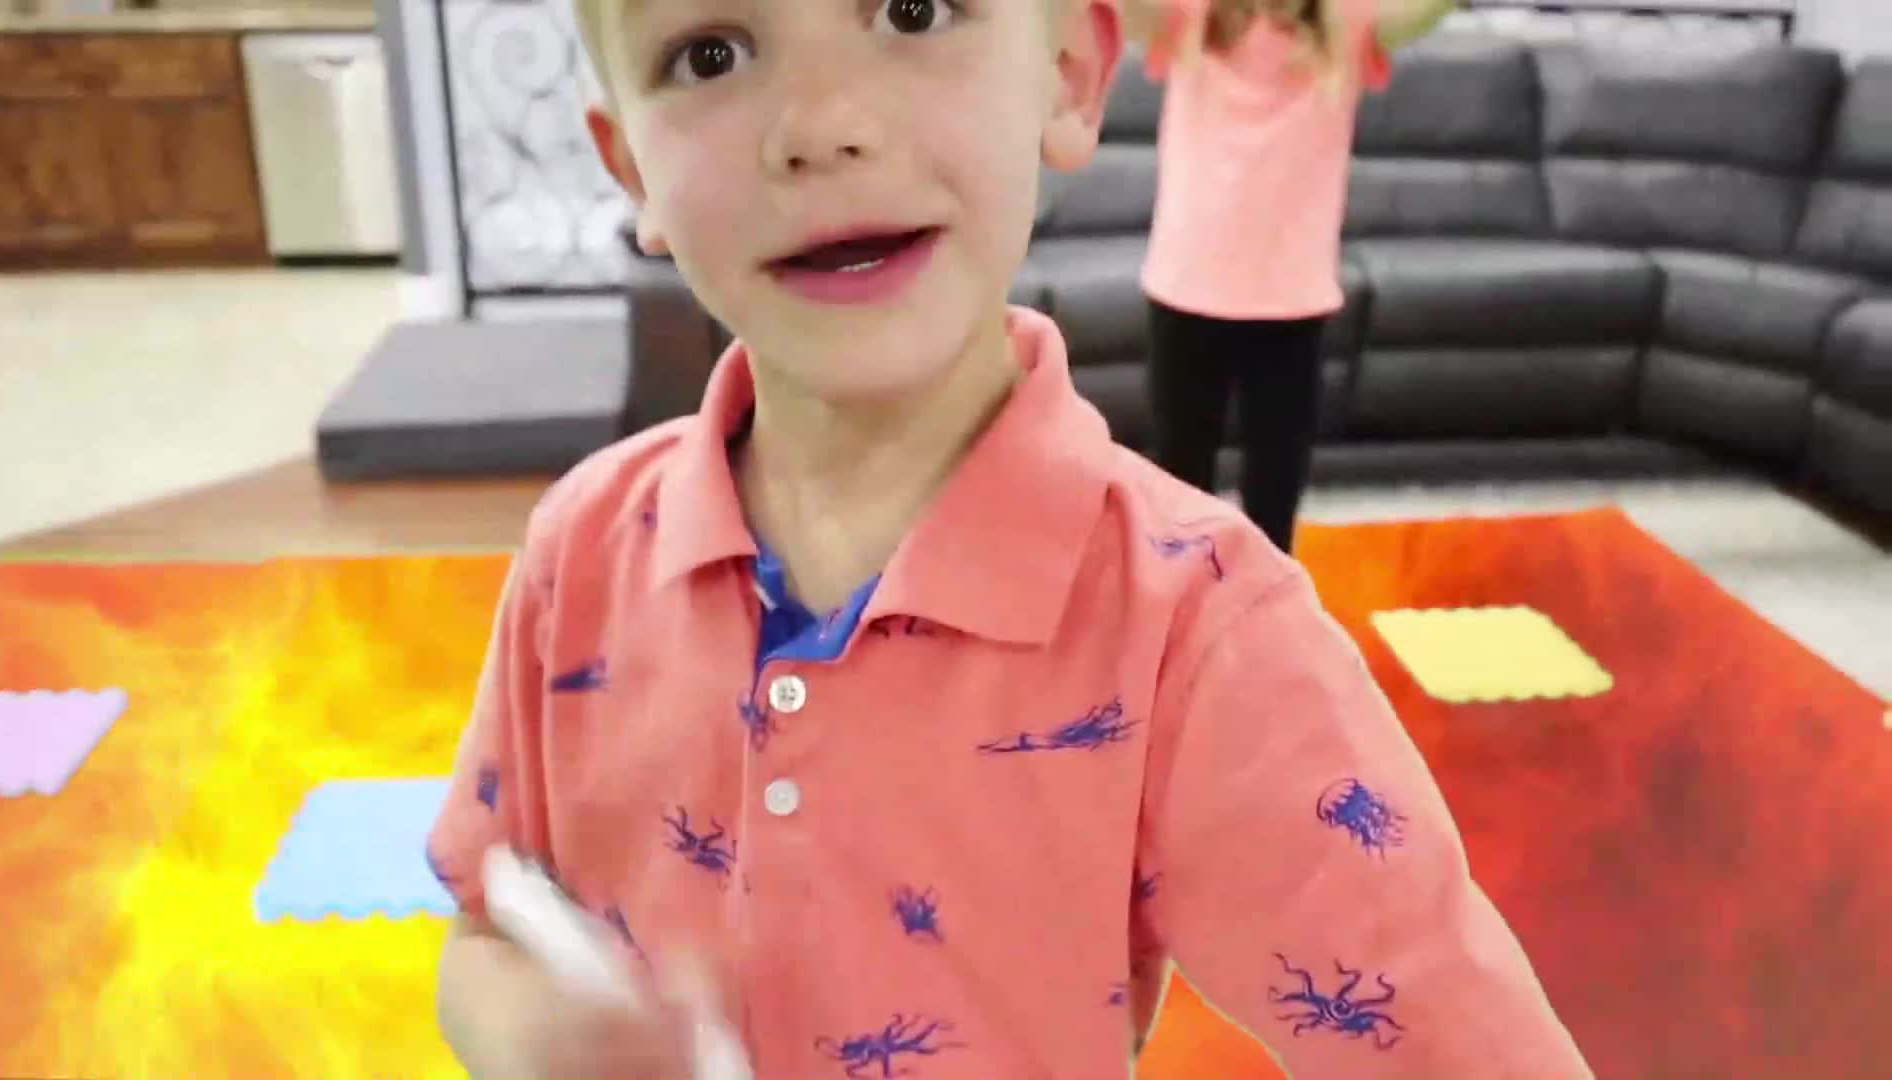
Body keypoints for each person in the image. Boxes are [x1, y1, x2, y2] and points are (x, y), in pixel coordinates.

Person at [424, 1, 1592, 1077]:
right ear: (632, 165)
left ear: (1069, 71)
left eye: (914, 10)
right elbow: (485, 921)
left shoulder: (1199, 631)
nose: (821, 127)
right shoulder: (580, 549)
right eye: (711, 54)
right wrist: (539, 1039)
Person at [1135, 0, 1455, 553]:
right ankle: (1182, 603)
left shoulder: (1344, 21)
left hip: (1290, 302)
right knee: (1178, 496)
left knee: (1273, 501)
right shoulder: (1195, 12)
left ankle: (1264, 605)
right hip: (1187, 288)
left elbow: (1420, 13)